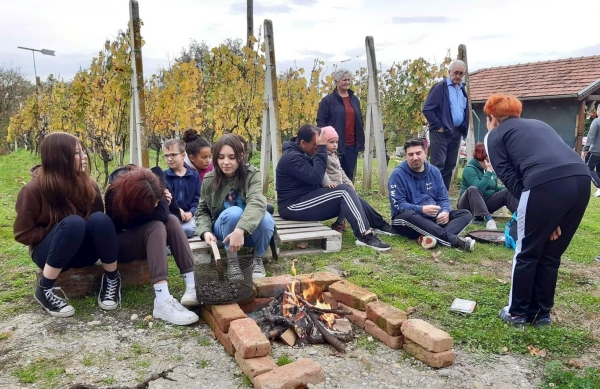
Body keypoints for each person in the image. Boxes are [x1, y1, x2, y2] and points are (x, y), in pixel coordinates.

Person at [484, 94, 590, 327]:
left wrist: (540, 216)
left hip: (544, 184)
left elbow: (510, 178)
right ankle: (541, 314)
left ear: (492, 117)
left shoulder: (494, 135)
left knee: (527, 251)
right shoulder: (540, 124)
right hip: (582, 180)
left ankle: (516, 313)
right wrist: (547, 219)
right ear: (517, 113)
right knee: (551, 255)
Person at [13, 132, 120, 317]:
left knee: (100, 219)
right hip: (49, 256)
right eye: (78, 153)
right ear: (60, 158)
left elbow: (97, 225)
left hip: (83, 254)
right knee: (73, 224)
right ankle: (44, 290)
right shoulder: (33, 190)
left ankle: (112, 279)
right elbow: (22, 234)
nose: (85, 157)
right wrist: (57, 231)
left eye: (83, 152)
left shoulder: (89, 184)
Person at [106, 167, 200, 326]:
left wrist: (162, 199)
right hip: (123, 245)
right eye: (154, 204)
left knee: (171, 221)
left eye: (159, 200)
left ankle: (192, 287)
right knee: (156, 225)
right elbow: (158, 216)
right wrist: (163, 204)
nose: (157, 204)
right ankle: (162, 301)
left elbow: (174, 215)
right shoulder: (115, 195)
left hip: (151, 240)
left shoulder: (156, 185)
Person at [276, 124, 391, 252]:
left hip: (308, 197)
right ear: (303, 143)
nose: (320, 147)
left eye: (322, 144)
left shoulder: (304, 151)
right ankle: (365, 236)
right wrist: (321, 150)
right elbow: (316, 177)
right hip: (292, 206)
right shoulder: (292, 157)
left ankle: (381, 225)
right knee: (344, 192)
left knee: (350, 194)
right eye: (316, 144)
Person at [196, 134, 275, 279]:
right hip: (223, 231)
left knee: (267, 218)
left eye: (232, 157)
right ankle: (233, 261)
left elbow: (257, 202)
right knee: (234, 212)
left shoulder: (253, 175)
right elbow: (202, 211)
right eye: (221, 157)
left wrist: (240, 229)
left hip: (248, 232)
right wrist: (205, 231)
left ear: (241, 156)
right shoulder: (209, 180)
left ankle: (258, 259)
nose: (226, 162)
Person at [388, 138, 475, 251]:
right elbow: (398, 205)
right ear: (406, 156)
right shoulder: (398, 174)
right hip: (407, 220)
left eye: (418, 153)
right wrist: (421, 209)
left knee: (465, 214)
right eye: (410, 154)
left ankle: (430, 238)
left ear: (425, 153)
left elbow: (443, 198)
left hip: (433, 219)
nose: (415, 157)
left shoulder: (434, 171)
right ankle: (455, 241)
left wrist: (445, 211)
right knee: (408, 215)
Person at [320, 126, 396, 235]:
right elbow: (322, 171)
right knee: (350, 200)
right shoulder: (323, 156)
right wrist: (327, 182)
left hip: (340, 186)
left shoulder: (334, 156)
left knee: (354, 199)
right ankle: (365, 228)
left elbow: (340, 171)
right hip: (330, 188)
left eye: (336, 142)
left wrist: (348, 182)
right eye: (331, 142)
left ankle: (342, 223)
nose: (335, 145)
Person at [422, 60, 469, 190]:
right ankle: (431, 194)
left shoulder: (462, 90)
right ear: (449, 72)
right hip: (441, 133)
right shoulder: (440, 88)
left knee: (450, 165)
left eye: (461, 73)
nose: (458, 76)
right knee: (438, 164)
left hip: (456, 132)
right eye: (455, 73)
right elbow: (427, 109)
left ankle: (444, 195)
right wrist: (439, 126)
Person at [316, 68, 365, 181]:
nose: (347, 82)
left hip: (351, 145)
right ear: (336, 81)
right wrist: (324, 142)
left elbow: (359, 120)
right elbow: (321, 122)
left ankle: (349, 194)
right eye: (344, 80)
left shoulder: (354, 100)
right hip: (333, 144)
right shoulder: (328, 101)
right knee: (333, 173)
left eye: (349, 80)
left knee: (348, 174)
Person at [457, 142, 519, 230]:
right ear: (485, 157)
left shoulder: (488, 169)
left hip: (484, 204)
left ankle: (521, 217)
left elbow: (495, 188)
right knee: (473, 189)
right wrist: (489, 172)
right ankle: (488, 219)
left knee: (508, 192)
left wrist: (512, 188)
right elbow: (479, 189)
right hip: (468, 205)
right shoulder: (470, 169)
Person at [163, 139, 201, 238]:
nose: (169, 159)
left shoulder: (194, 176)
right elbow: (163, 202)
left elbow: (198, 199)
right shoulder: (163, 177)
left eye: (173, 155)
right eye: (166, 156)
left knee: (187, 230)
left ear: (183, 155)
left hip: (190, 216)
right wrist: (176, 210)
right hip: (171, 215)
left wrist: (191, 212)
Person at [583, 105, 600, 197]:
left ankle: (599, 187)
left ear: (598, 111)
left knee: (588, 168)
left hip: (595, 151)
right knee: (599, 170)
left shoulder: (596, 121)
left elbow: (591, 136)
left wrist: (585, 148)